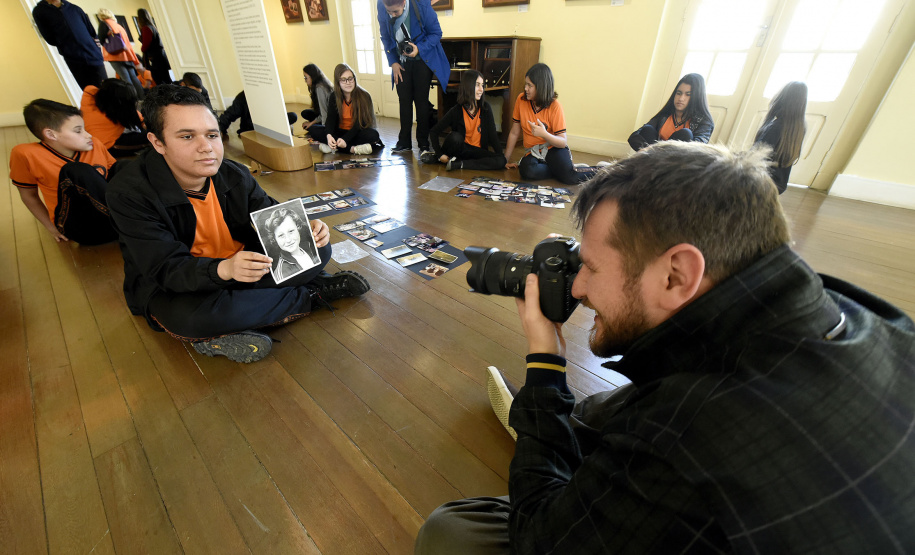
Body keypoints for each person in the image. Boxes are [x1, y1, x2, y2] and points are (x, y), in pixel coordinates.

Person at [414, 141, 915, 554]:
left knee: (452, 533)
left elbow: (542, 543)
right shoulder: (874, 318)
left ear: (677, 274)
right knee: (602, 411)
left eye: (589, 265)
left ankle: (555, 436)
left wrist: (545, 369)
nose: (580, 287)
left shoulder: (681, 435)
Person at [106, 85, 371, 363]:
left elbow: (270, 216)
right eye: (187, 136)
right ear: (157, 142)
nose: (206, 147)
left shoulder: (232, 173)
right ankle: (311, 295)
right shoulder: (129, 193)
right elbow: (164, 268)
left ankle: (244, 316)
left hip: (245, 265)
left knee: (320, 251)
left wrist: (306, 229)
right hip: (181, 285)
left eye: (211, 135)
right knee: (192, 318)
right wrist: (224, 269)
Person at [9, 99, 120, 245]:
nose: (88, 135)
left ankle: (145, 217)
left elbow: (121, 177)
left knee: (123, 166)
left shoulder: (94, 144)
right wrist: (51, 227)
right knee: (76, 171)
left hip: (112, 222)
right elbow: (29, 195)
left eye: (84, 128)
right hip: (83, 228)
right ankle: (134, 222)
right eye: (78, 131)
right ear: (51, 134)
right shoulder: (25, 154)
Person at [377, 0, 450, 155]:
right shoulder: (381, 5)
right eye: (388, 12)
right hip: (401, 62)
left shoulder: (421, 4)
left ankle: (423, 143)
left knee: (421, 101)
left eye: (395, 12)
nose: (391, 15)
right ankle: (404, 142)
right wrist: (393, 63)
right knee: (404, 101)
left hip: (422, 60)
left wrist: (419, 48)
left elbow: (436, 33)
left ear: (404, 2)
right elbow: (385, 36)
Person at [503, 63, 592, 185]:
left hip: (553, 148)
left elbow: (562, 142)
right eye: (526, 84)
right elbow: (514, 132)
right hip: (533, 152)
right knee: (527, 172)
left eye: (530, 85)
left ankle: (604, 170)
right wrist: (505, 159)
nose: (525, 89)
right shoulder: (521, 99)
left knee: (570, 178)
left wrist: (544, 134)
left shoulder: (555, 106)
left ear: (541, 87)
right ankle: (560, 169)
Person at [424, 70, 506, 171]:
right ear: (468, 86)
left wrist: (502, 157)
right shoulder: (457, 110)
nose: (481, 90)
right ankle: (439, 157)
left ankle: (460, 164)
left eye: (482, 85)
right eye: (477, 85)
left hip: (477, 152)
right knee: (455, 137)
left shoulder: (485, 108)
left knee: (501, 161)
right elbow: (434, 132)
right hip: (460, 149)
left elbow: (493, 137)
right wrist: (440, 154)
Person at [628, 72, 714, 151]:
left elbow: (697, 149)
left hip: (677, 163)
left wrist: (656, 153)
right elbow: (634, 136)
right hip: (653, 160)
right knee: (647, 129)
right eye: (679, 93)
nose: (681, 98)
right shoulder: (665, 115)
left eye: (688, 95)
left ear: (697, 98)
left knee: (685, 133)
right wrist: (649, 150)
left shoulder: (705, 121)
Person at [32, 0, 106, 90]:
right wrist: (66, 47)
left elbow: (91, 32)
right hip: (75, 61)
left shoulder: (74, 8)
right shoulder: (39, 12)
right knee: (90, 95)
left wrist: (97, 51)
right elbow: (50, 38)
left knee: (106, 90)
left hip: (94, 57)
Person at [754, 81, 808, 194]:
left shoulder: (775, 127)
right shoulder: (798, 127)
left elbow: (754, 157)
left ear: (781, 99)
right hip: (778, 184)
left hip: (761, 182)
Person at [319, 64, 384, 155]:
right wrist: (329, 136)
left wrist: (345, 139)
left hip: (357, 131)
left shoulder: (364, 96)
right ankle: (353, 149)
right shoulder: (334, 96)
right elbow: (330, 118)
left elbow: (360, 124)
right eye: (343, 80)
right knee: (315, 130)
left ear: (354, 79)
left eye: (350, 78)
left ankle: (339, 148)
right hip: (339, 132)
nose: (348, 82)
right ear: (338, 82)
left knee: (373, 135)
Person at [81, 78, 147, 157]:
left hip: (101, 140)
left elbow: (132, 113)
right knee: (153, 136)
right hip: (111, 147)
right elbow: (130, 113)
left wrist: (142, 121)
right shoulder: (113, 115)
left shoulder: (90, 94)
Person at [95, 8, 145, 101]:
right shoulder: (119, 26)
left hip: (114, 56)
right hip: (127, 55)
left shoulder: (103, 24)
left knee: (125, 79)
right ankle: (143, 98)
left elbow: (102, 40)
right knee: (134, 78)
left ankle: (134, 100)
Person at [263, 207, 321, 281]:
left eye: (291, 231)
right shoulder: (283, 272)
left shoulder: (309, 247)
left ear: (298, 228)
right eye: (281, 235)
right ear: (275, 239)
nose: (288, 240)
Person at [217, 90, 297, 139]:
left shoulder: (269, 93)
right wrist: (221, 129)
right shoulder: (244, 96)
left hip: (269, 125)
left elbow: (277, 114)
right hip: (251, 128)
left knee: (292, 116)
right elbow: (230, 114)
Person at [137, 8, 171, 86]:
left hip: (155, 59)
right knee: (166, 79)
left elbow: (145, 46)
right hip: (160, 56)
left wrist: (142, 48)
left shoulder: (146, 28)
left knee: (160, 81)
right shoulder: (152, 27)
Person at [301, 63, 334, 140]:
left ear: (312, 76)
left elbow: (324, 113)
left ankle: (320, 128)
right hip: (325, 115)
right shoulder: (321, 83)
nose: (305, 80)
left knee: (312, 130)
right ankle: (317, 126)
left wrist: (311, 124)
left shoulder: (319, 88)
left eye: (306, 77)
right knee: (305, 113)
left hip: (329, 118)